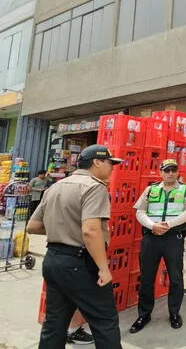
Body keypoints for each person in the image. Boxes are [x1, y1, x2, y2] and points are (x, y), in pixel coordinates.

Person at [26, 145, 123, 349]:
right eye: (109, 163)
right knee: (104, 321)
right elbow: (90, 231)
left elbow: (33, 226)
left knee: (54, 323)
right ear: (97, 162)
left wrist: (61, 228)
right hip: (80, 263)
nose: (112, 168)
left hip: (53, 260)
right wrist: (104, 268)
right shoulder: (94, 186)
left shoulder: (55, 187)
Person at [130, 159, 186, 333]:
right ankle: (144, 314)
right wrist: (153, 226)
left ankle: (174, 313)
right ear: (160, 172)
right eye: (167, 170)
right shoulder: (150, 189)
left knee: (175, 278)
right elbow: (140, 211)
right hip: (151, 238)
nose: (170, 173)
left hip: (173, 238)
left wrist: (168, 224)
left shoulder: (185, 190)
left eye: (173, 170)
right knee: (146, 277)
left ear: (178, 172)